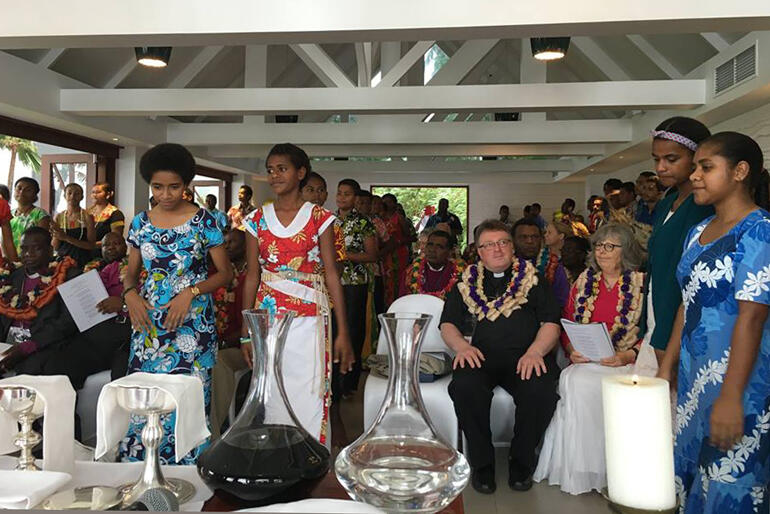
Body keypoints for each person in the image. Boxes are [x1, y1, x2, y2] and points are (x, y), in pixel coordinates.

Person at [657, 132, 770, 512]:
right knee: (691, 475)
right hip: (694, 381)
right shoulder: (696, 232)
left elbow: (752, 317)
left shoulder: (760, 231)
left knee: (731, 479)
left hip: (740, 381)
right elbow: (685, 306)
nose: (695, 176)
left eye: (707, 167)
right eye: (696, 168)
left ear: (740, 171)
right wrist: (666, 367)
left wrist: (731, 398)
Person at [122, 143, 232, 464]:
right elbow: (129, 275)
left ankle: (189, 479)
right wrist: (130, 297)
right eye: (158, 187)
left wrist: (190, 292)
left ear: (186, 185)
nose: (166, 194)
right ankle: (144, 474)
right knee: (146, 401)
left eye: (174, 187)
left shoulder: (205, 222)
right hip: (148, 327)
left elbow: (225, 273)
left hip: (193, 327)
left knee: (189, 402)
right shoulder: (140, 223)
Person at [240, 143, 354, 446]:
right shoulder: (256, 219)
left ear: (301, 172)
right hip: (268, 318)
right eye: (270, 170)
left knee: (311, 390)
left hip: (311, 319)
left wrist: (344, 332)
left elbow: (331, 274)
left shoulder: (320, 217)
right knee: (273, 391)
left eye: (282, 168)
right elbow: (251, 276)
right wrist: (245, 331)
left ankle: (310, 459)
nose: (275, 175)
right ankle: (279, 458)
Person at [442, 219, 560, 494]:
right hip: (479, 357)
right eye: (489, 245)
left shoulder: (534, 278)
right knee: (465, 386)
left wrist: (535, 351)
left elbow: (551, 323)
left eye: (503, 242)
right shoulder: (465, 280)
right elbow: (447, 323)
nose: (497, 249)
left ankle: (521, 460)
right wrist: (462, 346)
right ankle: (482, 463)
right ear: (479, 251)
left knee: (540, 391)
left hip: (525, 356)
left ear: (512, 246)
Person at [534, 223, 645, 495]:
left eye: (610, 246)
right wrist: (571, 348)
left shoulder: (642, 283)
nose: (602, 252)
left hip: (626, 361)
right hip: (585, 361)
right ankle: (583, 467)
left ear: (626, 251)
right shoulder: (583, 281)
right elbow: (568, 321)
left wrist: (628, 354)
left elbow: (652, 328)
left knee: (598, 385)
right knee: (576, 380)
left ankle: (610, 469)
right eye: (598, 245)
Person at [641, 117, 714, 357]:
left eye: (671, 159)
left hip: (678, 323)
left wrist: (664, 336)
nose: (660, 167)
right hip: (656, 310)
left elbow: (684, 277)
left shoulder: (704, 208)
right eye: (656, 159)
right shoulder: (667, 202)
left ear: (698, 158)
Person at [0, 228, 79, 378]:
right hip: (8, 343)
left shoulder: (67, 275)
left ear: (50, 250)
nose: (28, 254)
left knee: (31, 368)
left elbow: (67, 322)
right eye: (24, 249)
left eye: (36, 248)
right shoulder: (11, 276)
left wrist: (27, 347)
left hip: (43, 344)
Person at [335, 179, 377, 398]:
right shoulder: (328, 221)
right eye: (339, 193)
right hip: (331, 283)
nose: (342, 198)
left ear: (355, 198)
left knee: (352, 330)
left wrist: (343, 255)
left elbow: (371, 255)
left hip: (354, 282)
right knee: (333, 329)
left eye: (347, 194)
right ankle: (333, 380)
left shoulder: (363, 223)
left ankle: (349, 382)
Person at [209, 229, 249, 439]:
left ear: (246, 245)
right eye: (223, 242)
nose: (226, 246)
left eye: (231, 242)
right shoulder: (220, 273)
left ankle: (213, 433)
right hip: (222, 341)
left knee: (219, 362)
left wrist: (225, 340)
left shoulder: (253, 273)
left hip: (246, 345)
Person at [513, 218, 569, 308]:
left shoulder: (554, 266)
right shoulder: (503, 265)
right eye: (523, 237)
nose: (530, 241)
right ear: (513, 240)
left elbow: (562, 302)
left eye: (535, 237)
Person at [402, 230, 463, 299]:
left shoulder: (462, 274)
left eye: (439, 246)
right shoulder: (411, 272)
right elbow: (402, 302)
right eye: (430, 244)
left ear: (450, 252)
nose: (432, 250)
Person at [51, 183, 97, 268]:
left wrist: (66, 238)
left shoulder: (87, 217)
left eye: (77, 194)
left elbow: (91, 245)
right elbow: (55, 247)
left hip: (82, 261)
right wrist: (56, 234)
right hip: (62, 262)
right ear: (64, 196)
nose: (72, 196)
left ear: (82, 197)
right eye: (69, 193)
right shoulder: (59, 217)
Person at [380, 193, 409, 307]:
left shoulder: (399, 218)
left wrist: (398, 241)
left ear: (395, 204)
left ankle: (397, 304)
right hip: (385, 254)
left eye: (389, 201)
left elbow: (410, 236)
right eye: (384, 201)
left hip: (398, 254)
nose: (386, 204)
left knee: (397, 279)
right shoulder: (380, 218)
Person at [10, 177, 51, 253]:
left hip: (30, 260)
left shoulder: (41, 215)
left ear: (35, 195)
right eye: (19, 188)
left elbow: (41, 242)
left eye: (28, 190)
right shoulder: (9, 214)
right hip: (7, 260)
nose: (22, 192)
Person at [87, 182, 125, 260]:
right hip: (86, 254)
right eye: (93, 192)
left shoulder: (115, 213)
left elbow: (115, 240)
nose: (94, 195)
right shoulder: (87, 212)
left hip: (105, 256)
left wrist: (87, 245)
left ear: (108, 194)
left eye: (98, 192)